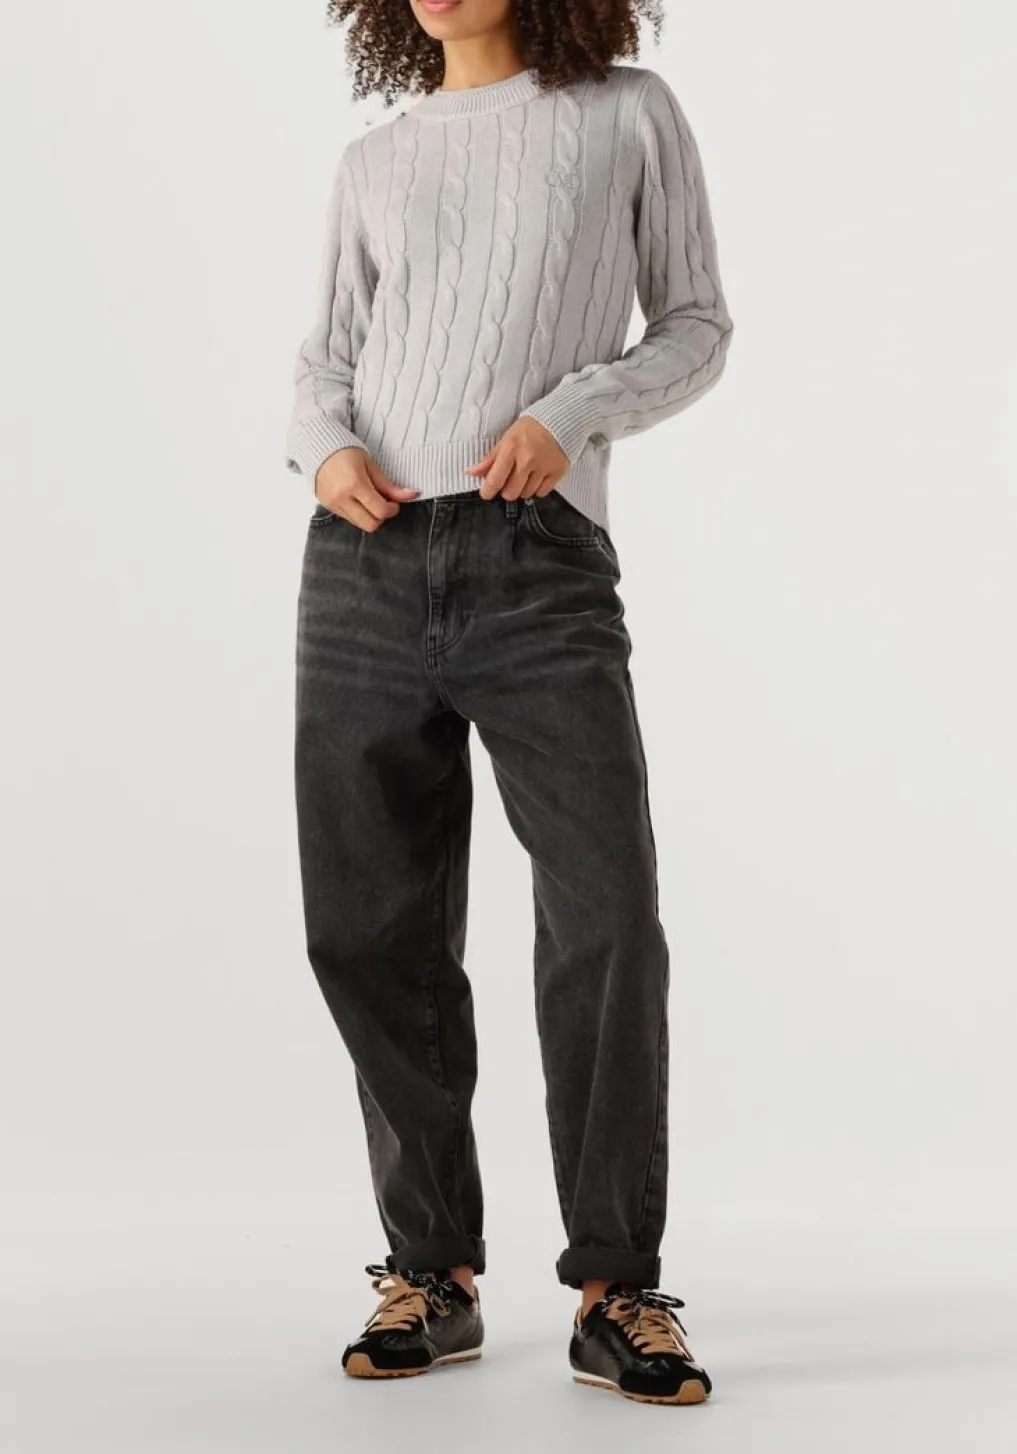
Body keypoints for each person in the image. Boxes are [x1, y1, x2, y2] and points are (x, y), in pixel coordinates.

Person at [284, 0, 733, 1407]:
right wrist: (323, 449)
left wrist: (574, 411)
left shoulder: (625, 115)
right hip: (362, 564)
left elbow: (697, 324)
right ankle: (431, 1269)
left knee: (606, 914)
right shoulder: (377, 159)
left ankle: (618, 1286)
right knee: (370, 924)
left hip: (540, 561)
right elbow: (323, 361)